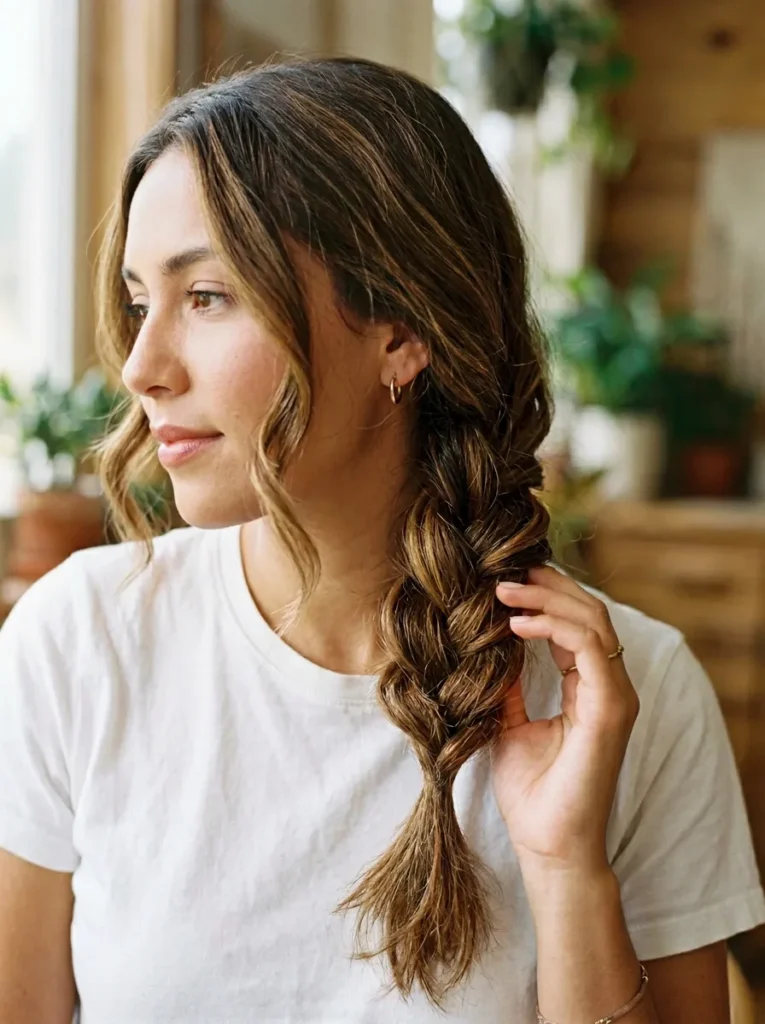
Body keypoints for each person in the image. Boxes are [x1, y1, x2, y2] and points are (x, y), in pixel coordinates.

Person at [0, 58, 762, 1024]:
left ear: (399, 331)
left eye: (207, 298)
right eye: (141, 301)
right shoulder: (77, 642)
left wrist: (568, 870)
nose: (143, 367)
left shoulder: (632, 696)